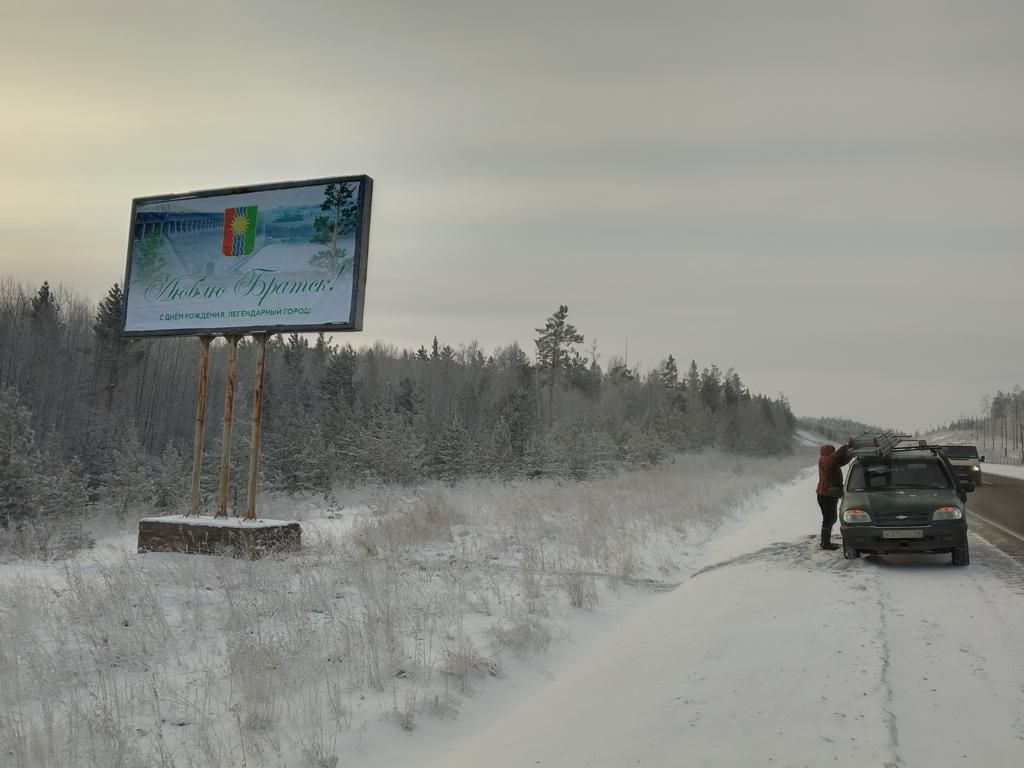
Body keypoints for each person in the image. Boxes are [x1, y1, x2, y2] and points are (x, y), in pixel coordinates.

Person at [816, 439, 853, 550]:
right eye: (832, 451)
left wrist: (850, 454)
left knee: (830, 518)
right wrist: (847, 446)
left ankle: (825, 541)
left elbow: (840, 460)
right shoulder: (824, 460)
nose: (833, 453)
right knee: (829, 519)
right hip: (826, 495)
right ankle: (825, 543)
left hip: (828, 494)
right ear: (828, 452)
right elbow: (835, 457)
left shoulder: (829, 461)